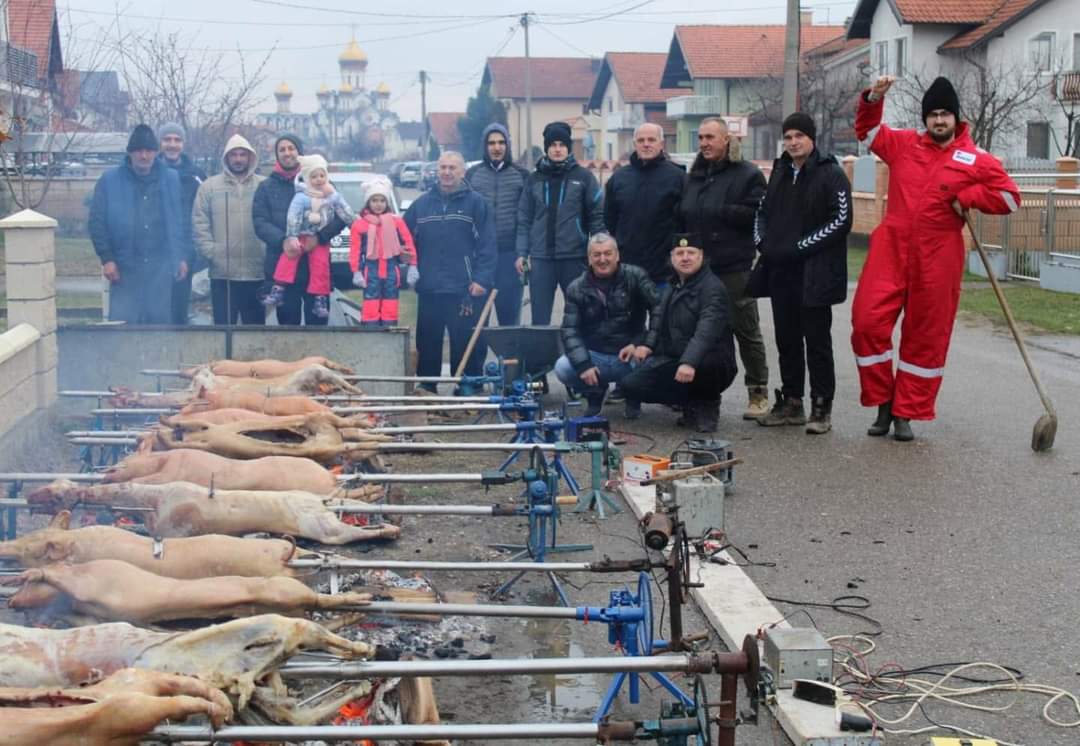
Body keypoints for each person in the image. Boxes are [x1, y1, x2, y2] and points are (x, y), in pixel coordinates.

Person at [851, 76, 1021, 441]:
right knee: (867, 323)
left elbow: (1009, 197)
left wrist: (971, 195)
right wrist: (873, 97)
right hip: (891, 248)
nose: (939, 120)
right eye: (933, 114)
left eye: (945, 114)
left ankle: (904, 413)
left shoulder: (976, 159)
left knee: (925, 335)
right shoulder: (902, 145)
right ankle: (883, 400)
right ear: (925, 118)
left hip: (939, 254)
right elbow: (866, 131)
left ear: (956, 118)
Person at [753, 113, 852, 434]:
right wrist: (763, 243)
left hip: (815, 274)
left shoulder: (831, 174)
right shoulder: (780, 172)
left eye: (799, 135)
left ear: (812, 138)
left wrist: (801, 247)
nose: (793, 142)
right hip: (781, 272)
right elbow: (762, 212)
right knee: (787, 341)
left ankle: (821, 407)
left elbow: (840, 221)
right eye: (788, 136)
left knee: (817, 343)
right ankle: (792, 402)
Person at [677, 117, 770, 420]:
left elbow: (757, 214)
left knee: (746, 330)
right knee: (698, 331)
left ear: (727, 140)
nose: (704, 143)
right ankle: (699, 393)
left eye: (710, 137)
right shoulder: (694, 176)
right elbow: (684, 216)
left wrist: (721, 211)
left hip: (733, 266)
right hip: (698, 269)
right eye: (700, 137)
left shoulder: (748, 174)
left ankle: (758, 392)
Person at [620, 234, 737, 433]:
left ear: (701, 256)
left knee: (707, 364)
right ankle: (689, 402)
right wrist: (644, 344)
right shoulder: (671, 285)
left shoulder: (712, 288)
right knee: (631, 385)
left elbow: (705, 332)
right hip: (677, 358)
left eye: (691, 253)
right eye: (679, 253)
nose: (685, 258)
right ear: (672, 258)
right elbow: (657, 324)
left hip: (711, 362)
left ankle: (707, 404)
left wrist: (689, 362)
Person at [404, 152, 497, 389]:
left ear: (462, 172)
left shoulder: (476, 204)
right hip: (430, 288)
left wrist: (481, 279)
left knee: (465, 340)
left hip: (464, 289)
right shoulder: (421, 205)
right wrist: (407, 263)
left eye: (452, 168)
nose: (447, 172)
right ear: (437, 171)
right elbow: (403, 238)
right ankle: (428, 386)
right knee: (428, 340)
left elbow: (488, 244)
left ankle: (468, 384)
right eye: (443, 167)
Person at [89, 123, 187, 325]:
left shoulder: (171, 178)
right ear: (130, 153)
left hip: (161, 269)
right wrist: (107, 258)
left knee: (159, 327)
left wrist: (180, 256)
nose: (144, 156)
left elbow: (179, 220)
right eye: (139, 151)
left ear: (155, 152)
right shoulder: (110, 180)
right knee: (123, 328)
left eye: (149, 151)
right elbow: (96, 222)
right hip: (124, 269)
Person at [555, 233, 660, 419]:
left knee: (659, 361)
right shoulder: (575, 288)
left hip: (630, 356)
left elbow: (659, 309)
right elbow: (569, 330)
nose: (602, 259)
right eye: (596, 255)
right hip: (595, 356)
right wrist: (584, 365)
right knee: (563, 367)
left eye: (607, 253)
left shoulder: (636, 276)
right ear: (589, 258)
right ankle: (594, 392)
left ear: (617, 255)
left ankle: (633, 395)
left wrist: (643, 344)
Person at [515, 121, 604, 325]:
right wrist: (521, 253)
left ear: (568, 147)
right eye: (553, 145)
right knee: (540, 318)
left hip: (574, 257)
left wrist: (598, 252)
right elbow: (524, 219)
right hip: (541, 259)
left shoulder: (584, 178)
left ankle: (580, 356)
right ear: (546, 148)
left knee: (580, 314)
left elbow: (597, 218)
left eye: (562, 144)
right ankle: (542, 357)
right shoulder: (533, 179)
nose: (557, 149)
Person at [253, 134, 346, 326]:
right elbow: (259, 222)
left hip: (316, 269)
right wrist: (283, 240)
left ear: (299, 152)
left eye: (291, 148)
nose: (287, 153)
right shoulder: (266, 187)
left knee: (318, 326)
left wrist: (320, 237)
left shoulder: (323, 184)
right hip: (283, 268)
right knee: (288, 328)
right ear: (277, 155)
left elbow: (341, 217)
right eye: (282, 149)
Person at [264, 154, 356, 318]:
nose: (319, 179)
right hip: (300, 235)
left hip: (319, 240)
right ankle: (279, 288)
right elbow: (293, 216)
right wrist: (292, 236)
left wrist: (356, 225)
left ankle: (319, 299)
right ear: (307, 178)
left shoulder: (332, 195)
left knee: (321, 266)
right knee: (288, 259)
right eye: (314, 176)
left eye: (322, 175)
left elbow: (344, 211)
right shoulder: (301, 196)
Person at [192, 133, 266, 325]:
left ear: (250, 157)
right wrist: (212, 252)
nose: (239, 159)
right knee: (223, 333)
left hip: (256, 273)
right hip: (223, 276)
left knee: (255, 332)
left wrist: (267, 255)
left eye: (243, 154)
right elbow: (200, 223)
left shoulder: (264, 186)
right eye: (234, 155)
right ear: (226, 158)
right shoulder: (209, 187)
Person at [603, 122, 685, 285]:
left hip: (665, 271)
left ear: (661, 144)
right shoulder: (618, 178)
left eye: (651, 140)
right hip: (628, 269)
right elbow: (610, 219)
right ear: (634, 144)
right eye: (641, 141)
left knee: (663, 311)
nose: (646, 144)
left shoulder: (679, 177)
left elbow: (685, 220)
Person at [465, 123, 530, 325]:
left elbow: (526, 219)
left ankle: (509, 357)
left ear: (508, 145)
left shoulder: (522, 175)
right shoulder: (472, 174)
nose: (497, 147)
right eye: (491, 143)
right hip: (480, 259)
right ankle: (476, 358)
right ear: (485, 146)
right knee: (478, 323)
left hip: (509, 258)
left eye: (501, 142)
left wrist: (523, 253)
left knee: (509, 321)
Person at [349, 177, 417, 327]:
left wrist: (413, 265)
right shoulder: (360, 225)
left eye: (382, 200)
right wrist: (356, 271)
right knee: (371, 302)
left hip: (391, 268)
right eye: (374, 200)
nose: (378, 204)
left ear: (387, 203)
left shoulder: (396, 221)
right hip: (371, 269)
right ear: (368, 202)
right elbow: (355, 250)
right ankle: (371, 332)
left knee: (390, 301)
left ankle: (389, 330)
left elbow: (408, 242)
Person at [157, 122, 206, 325]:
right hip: (154, 255)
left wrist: (187, 255)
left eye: (177, 140)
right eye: (167, 139)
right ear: (160, 143)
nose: (172, 144)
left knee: (178, 312)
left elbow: (201, 216)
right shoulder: (150, 172)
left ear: (183, 144)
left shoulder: (196, 175)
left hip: (185, 254)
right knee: (156, 313)